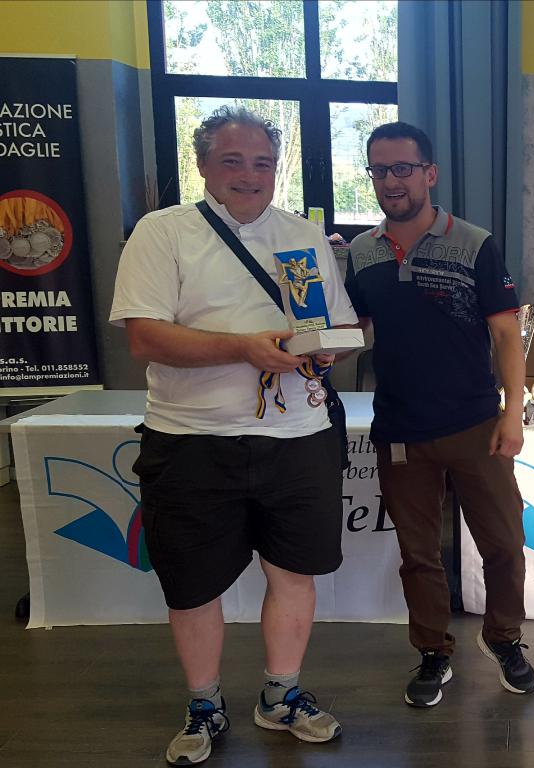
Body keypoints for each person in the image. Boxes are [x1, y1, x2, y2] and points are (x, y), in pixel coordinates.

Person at [109, 106, 356, 765]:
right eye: (233, 161)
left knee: (294, 574)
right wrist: (244, 348)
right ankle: (204, 705)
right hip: (191, 438)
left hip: (298, 434)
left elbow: (331, 327)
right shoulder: (163, 233)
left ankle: (281, 696)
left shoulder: (301, 236)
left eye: (263, 163)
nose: (250, 175)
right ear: (203, 165)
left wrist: (324, 350)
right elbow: (145, 338)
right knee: (192, 585)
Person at [344, 121, 534, 708]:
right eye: (379, 170)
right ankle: (433, 651)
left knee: (504, 544)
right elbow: (357, 329)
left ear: (429, 173)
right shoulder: (361, 252)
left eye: (402, 168)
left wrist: (513, 411)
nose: (391, 181)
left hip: (476, 424)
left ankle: (503, 638)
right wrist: (310, 340)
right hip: (400, 429)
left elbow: (506, 333)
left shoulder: (475, 243)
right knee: (419, 555)